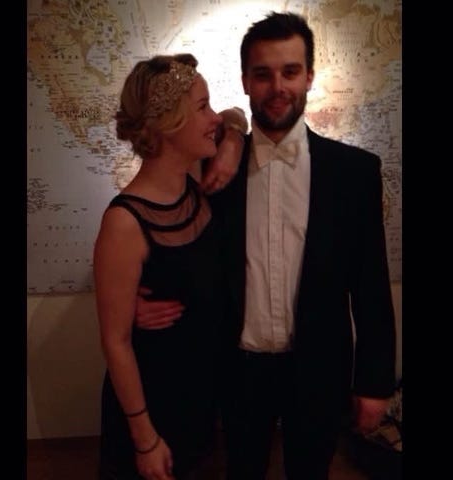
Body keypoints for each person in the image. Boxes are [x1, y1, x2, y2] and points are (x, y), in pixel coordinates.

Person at [135, 11, 397, 480]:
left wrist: (375, 383)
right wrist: (132, 300)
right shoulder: (210, 167)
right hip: (235, 370)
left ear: (310, 76)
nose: (278, 87)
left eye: (290, 72)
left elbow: (371, 286)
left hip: (318, 369)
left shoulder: (354, 172)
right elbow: (164, 240)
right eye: (263, 74)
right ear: (245, 81)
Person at [93, 53, 245, 480]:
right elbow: (116, 341)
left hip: (200, 398)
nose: (214, 118)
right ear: (168, 123)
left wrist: (232, 140)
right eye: (202, 107)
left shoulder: (198, 179)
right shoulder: (124, 222)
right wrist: (145, 439)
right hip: (155, 407)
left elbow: (236, 115)